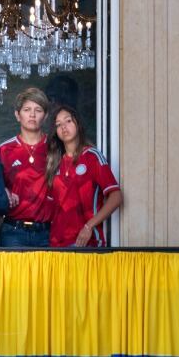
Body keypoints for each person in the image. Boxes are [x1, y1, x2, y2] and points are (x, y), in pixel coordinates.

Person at [47, 103, 121, 248]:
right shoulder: (55, 162)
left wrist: (89, 226)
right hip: (56, 244)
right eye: (58, 124)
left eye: (68, 121)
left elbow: (116, 196)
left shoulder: (92, 156)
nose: (63, 127)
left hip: (87, 242)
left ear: (78, 124)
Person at [0, 87, 55, 248]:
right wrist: (4, 191)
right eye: (27, 109)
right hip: (13, 231)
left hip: (48, 231)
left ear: (46, 116)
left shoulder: (55, 148)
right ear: (17, 115)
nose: (32, 115)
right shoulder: (4, 150)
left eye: (38, 110)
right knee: (11, 275)